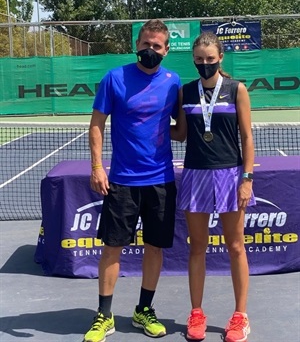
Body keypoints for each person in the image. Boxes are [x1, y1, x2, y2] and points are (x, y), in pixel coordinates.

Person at [83, 19, 182, 342]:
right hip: (121, 181)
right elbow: (96, 125)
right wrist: (98, 167)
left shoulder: (173, 83)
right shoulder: (114, 78)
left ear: (166, 50)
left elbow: (180, 130)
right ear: (136, 44)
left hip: (161, 180)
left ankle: (144, 310)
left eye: (157, 46)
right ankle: (104, 316)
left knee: (155, 248)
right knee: (113, 248)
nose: (150, 50)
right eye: (145, 44)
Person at [172, 32, 256, 342]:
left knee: (235, 247)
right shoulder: (186, 92)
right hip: (195, 174)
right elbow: (180, 133)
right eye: (199, 59)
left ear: (220, 58)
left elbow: (247, 138)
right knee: (197, 247)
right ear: (193, 60)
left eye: (210, 59)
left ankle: (240, 316)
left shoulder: (237, 90)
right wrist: (142, 123)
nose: (204, 64)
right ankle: (196, 313)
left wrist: (247, 180)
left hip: (230, 176)